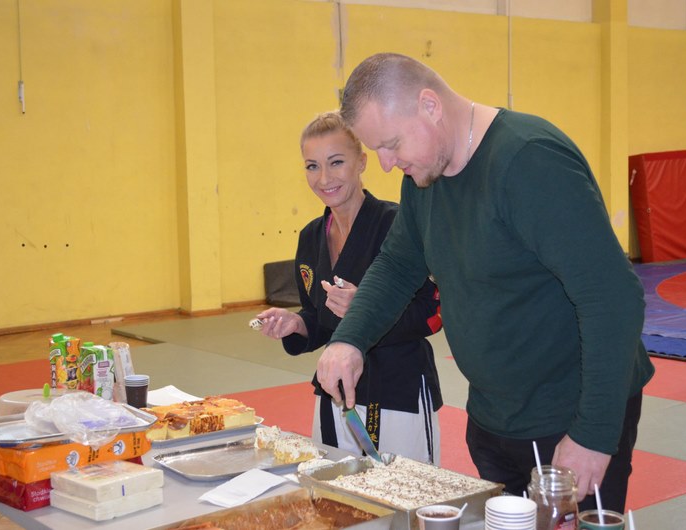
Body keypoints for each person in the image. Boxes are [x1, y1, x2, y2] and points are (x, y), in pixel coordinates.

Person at [316, 53, 654, 513]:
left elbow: (612, 298)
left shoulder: (528, 160)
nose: (387, 164)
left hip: (568, 417)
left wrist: (593, 435)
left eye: (391, 144)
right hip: (495, 418)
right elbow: (397, 264)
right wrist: (349, 339)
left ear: (430, 106)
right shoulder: (425, 177)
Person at [256, 111, 444, 464]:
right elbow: (318, 318)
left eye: (336, 162)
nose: (324, 178)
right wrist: (297, 324)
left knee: (404, 493)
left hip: (397, 391)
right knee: (334, 491)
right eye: (312, 166)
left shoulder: (397, 225)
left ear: (361, 162)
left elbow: (433, 313)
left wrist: (367, 309)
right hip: (334, 391)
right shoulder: (311, 237)